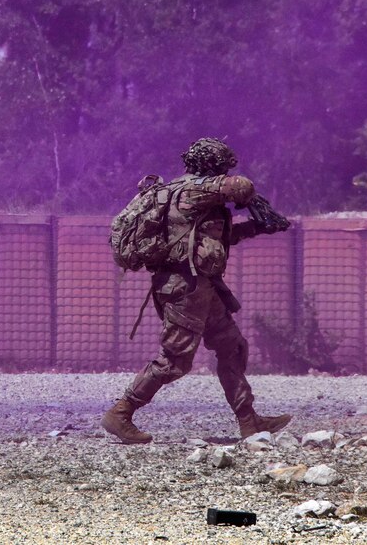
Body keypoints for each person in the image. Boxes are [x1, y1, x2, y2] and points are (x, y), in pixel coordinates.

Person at [101, 137, 292, 444]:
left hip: (201, 287)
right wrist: (250, 199)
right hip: (183, 288)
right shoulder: (191, 190)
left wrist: (261, 226)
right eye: (222, 168)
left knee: (232, 347)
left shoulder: (196, 199)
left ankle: (249, 421)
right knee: (174, 361)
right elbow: (241, 187)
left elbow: (216, 237)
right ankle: (121, 412)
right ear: (212, 166)